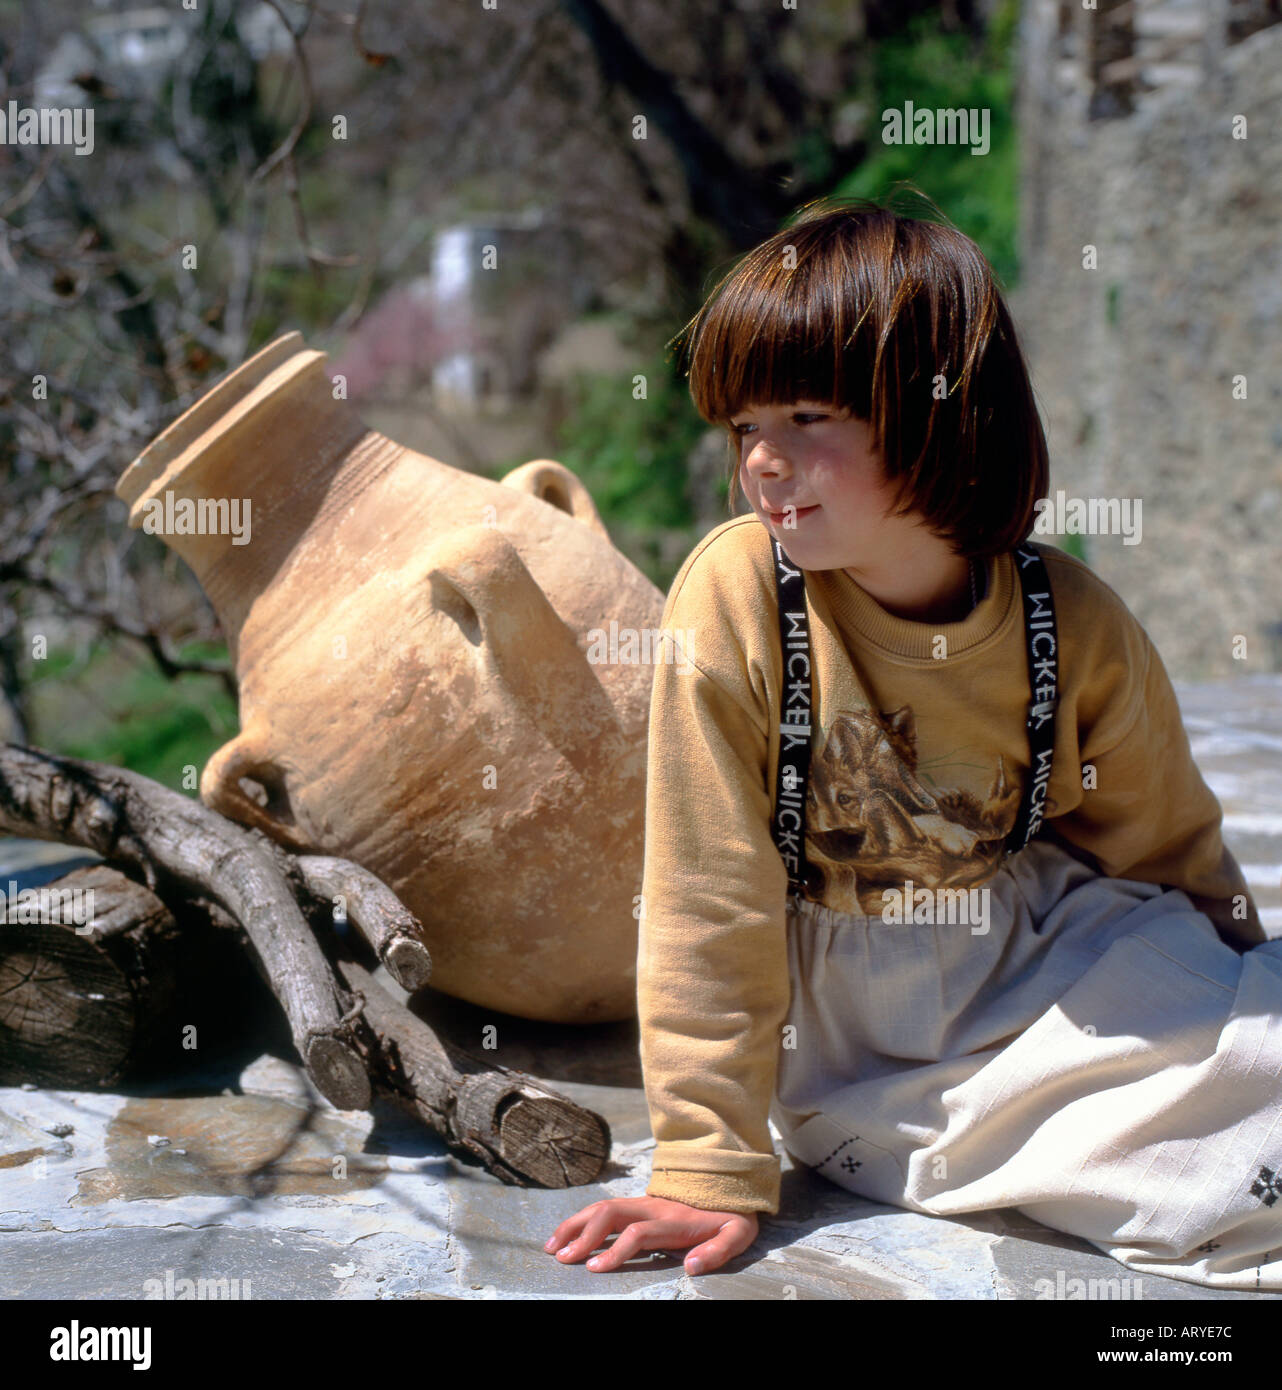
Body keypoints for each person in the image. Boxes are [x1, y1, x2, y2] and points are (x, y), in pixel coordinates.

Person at [543, 194, 1281, 1289]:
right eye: (745, 426)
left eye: (805, 417)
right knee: (1199, 1167)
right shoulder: (741, 598)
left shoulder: (1066, 616)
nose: (763, 461)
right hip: (871, 1035)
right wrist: (707, 1160)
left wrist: (1234, 985)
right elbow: (709, 894)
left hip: (1039, 946)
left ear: (938, 412)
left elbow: (1162, 836)